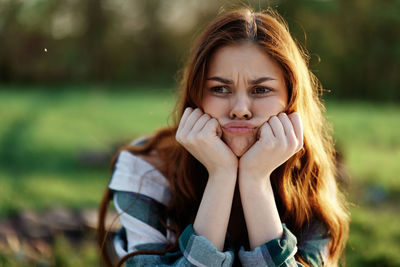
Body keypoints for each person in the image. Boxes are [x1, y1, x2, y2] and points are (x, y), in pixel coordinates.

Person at [98, 7, 349, 267]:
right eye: (219, 88)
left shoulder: (309, 173)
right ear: (196, 97)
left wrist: (255, 180)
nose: (240, 109)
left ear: (290, 100)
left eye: (261, 89)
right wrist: (221, 175)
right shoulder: (146, 169)